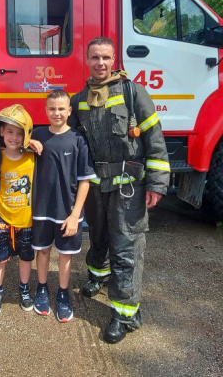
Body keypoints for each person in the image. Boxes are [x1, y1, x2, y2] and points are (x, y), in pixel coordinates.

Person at [70, 37, 170, 344]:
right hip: (97, 185)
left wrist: (156, 183)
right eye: (95, 57)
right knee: (98, 236)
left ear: (114, 60)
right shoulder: (78, 100)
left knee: (126, 246)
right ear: (87, 60)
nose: (100, 63)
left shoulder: (133, 91)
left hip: (129, 185)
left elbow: (154, 138)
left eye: (106, 58)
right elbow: (72, 144)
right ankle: (98, 277)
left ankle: (125, 314)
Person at [30, 90, 96, 322]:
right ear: (45, 110)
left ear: (69, 111)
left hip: (68, 212)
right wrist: (27, 141)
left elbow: (85, 181)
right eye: (52, 109)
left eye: (61, 109)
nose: (56, 113)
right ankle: (41, 288)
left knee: (65, 256)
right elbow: (11, 145)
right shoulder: (37, 135)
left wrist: (75, 214)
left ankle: (63, 293)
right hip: (40, 210)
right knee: (43, 251)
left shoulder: (78, 140)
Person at [0, 104, 37, 318]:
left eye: (20, 133)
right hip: (1, 217)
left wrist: (33, 143)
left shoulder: (32, 158)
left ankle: (24, 288)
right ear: (1, 131)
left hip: (26, 219)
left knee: (25, 257)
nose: (14, 137)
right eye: (10, 131)